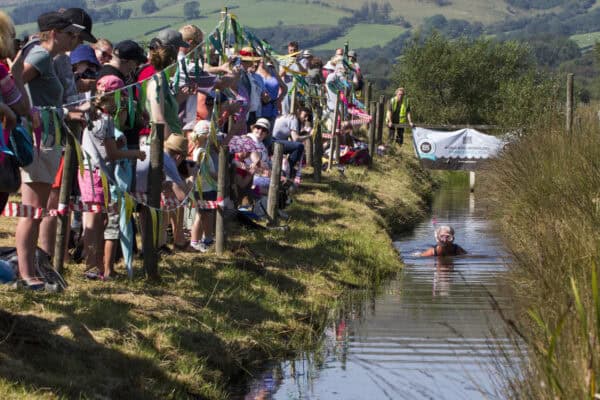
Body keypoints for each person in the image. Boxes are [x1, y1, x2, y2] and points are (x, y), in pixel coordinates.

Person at [16, 11, 84, 290]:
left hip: (49, 133)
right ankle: (26, 273)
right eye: (70, 34)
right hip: (40, 136)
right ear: (55, 33)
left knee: (39, 208)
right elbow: (14, 82)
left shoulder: (50, 58)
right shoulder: (41, 56)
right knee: (31, 209)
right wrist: (27, 112)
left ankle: (31, 269)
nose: (75, 39)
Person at [272, 107, 312, 179]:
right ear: (299, 112)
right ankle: (289, 168)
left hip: (276, 140)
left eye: (308, 117)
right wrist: (309, 136)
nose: (306, 119)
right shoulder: (294, 119)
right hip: (274, 141)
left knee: (297, 146)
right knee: (299, 146)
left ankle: (288, 169)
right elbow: (295, 138)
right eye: (305, 115)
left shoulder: (290, 116)